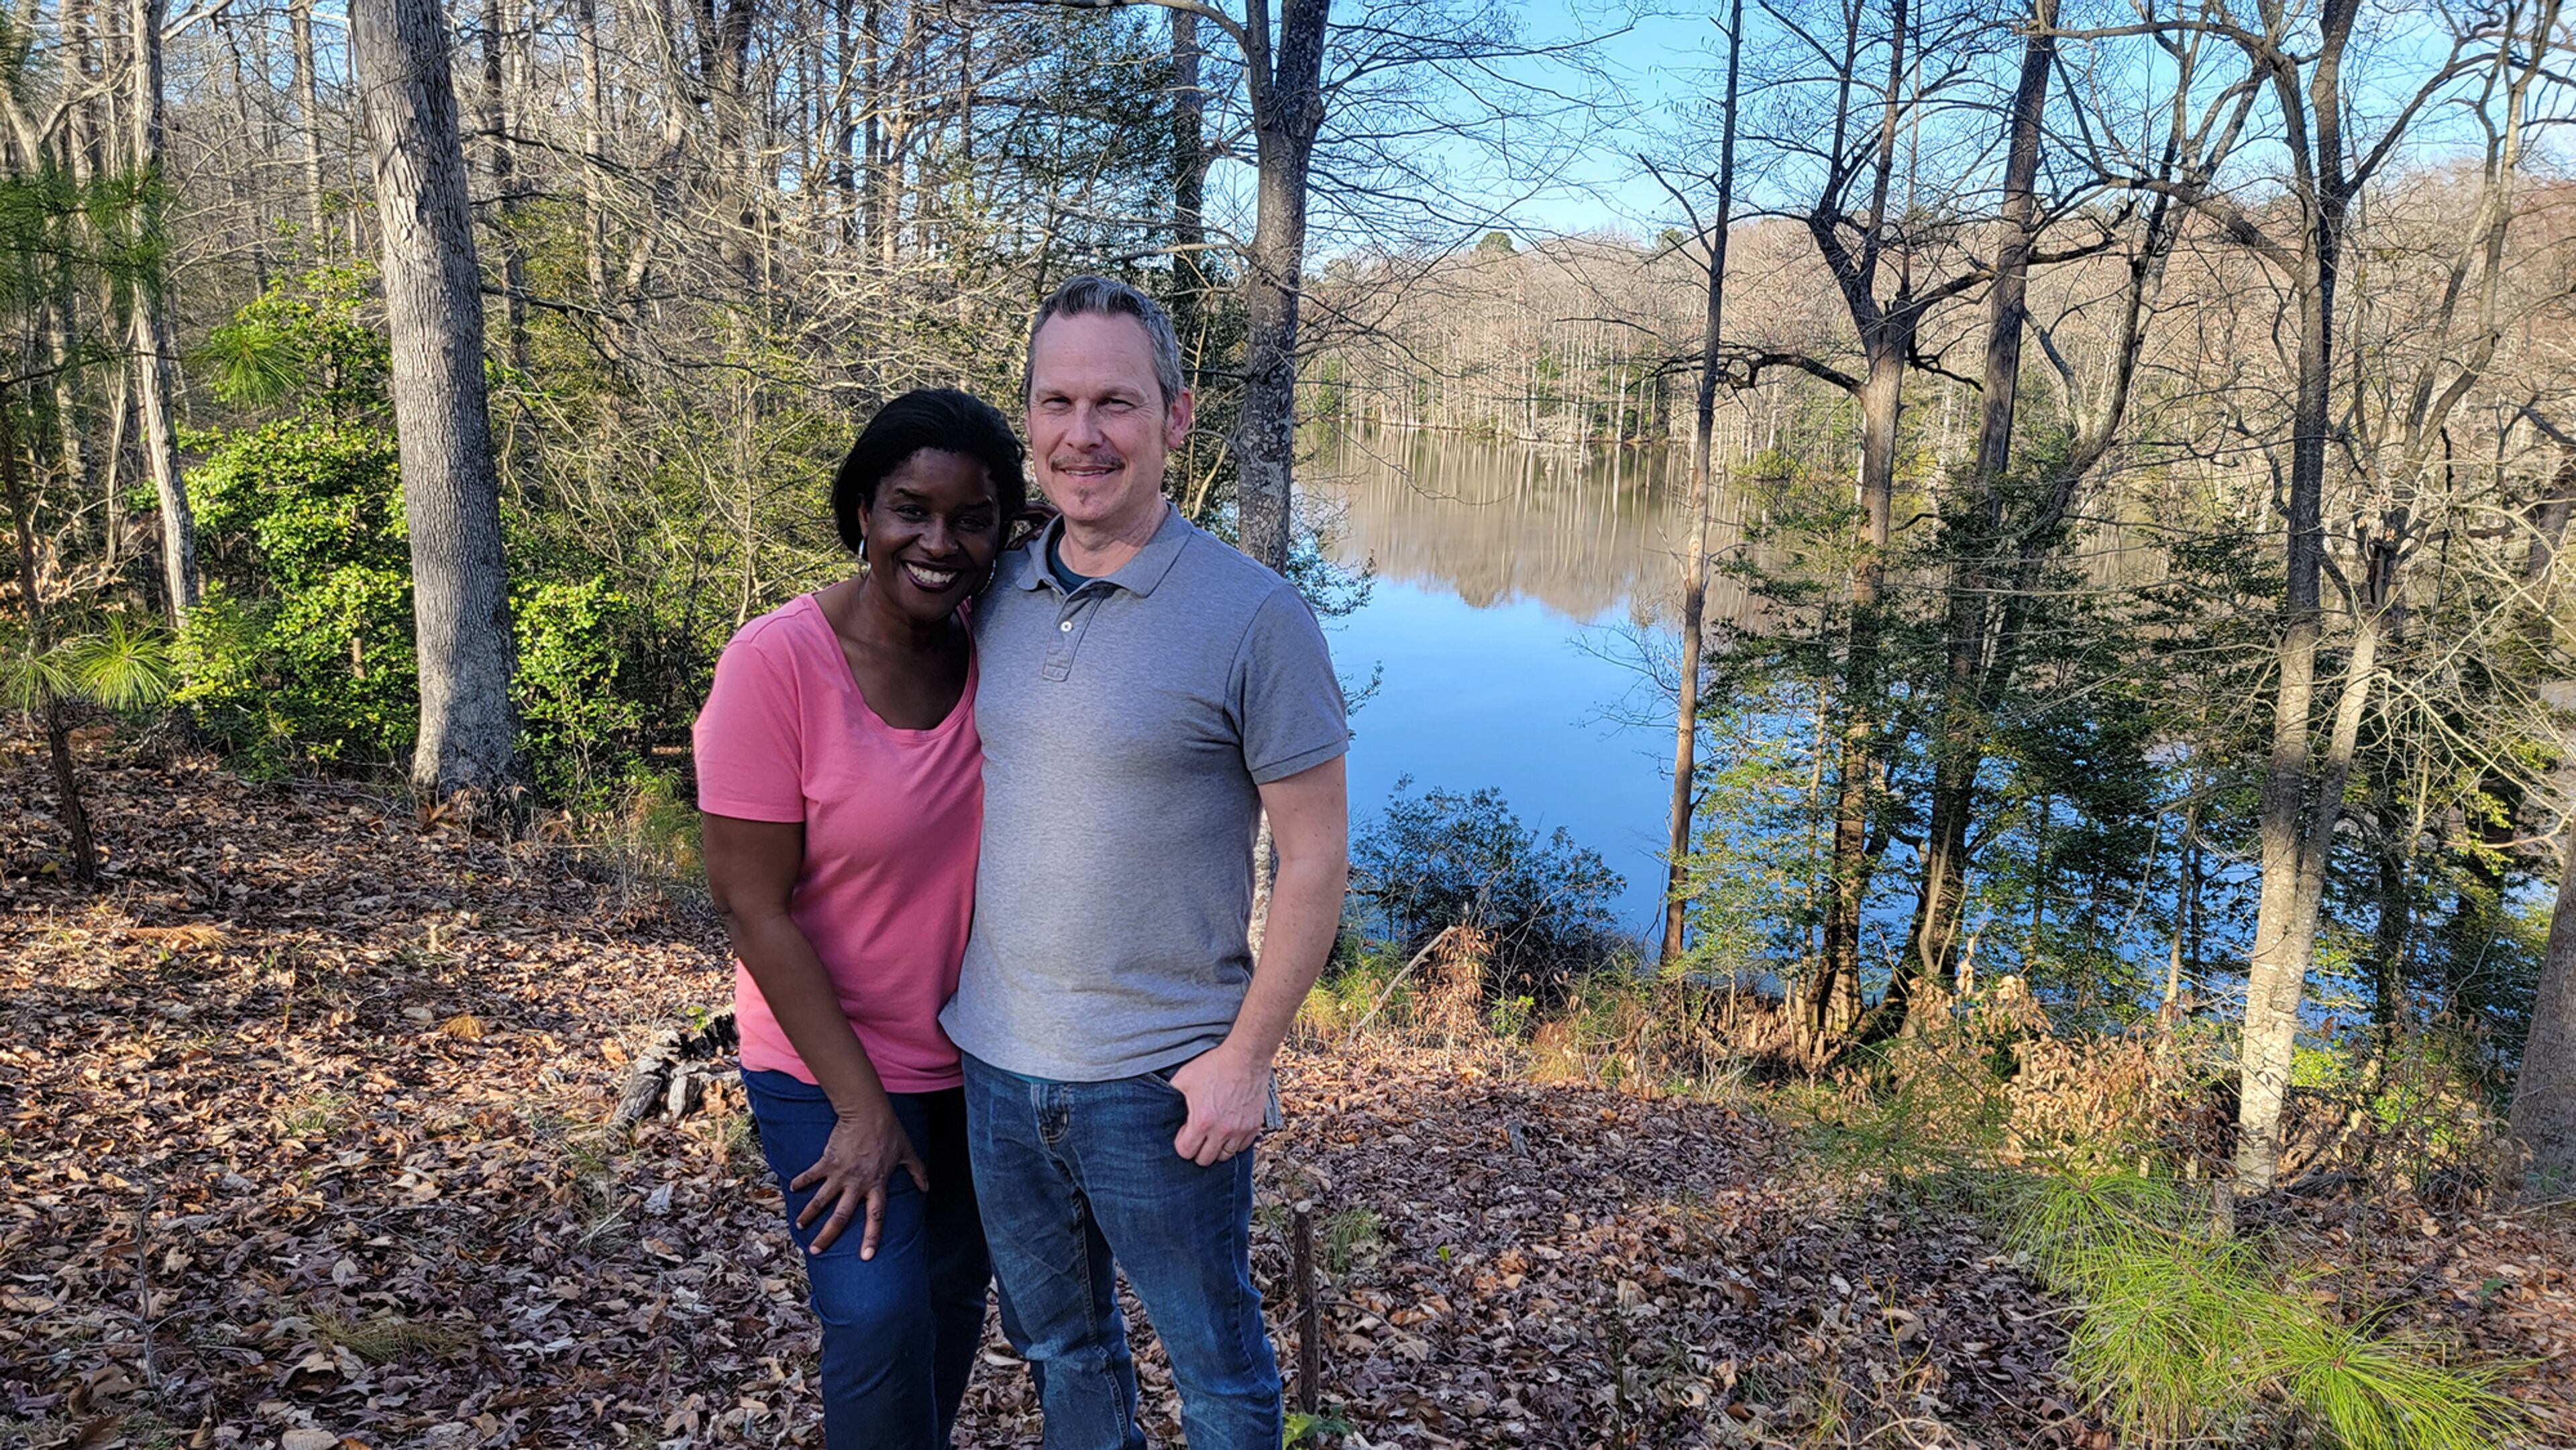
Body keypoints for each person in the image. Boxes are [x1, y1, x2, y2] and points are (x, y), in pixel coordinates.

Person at [942, 276, 1352, 1450]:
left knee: (1219, 1374)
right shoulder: (996, 590)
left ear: (1174, 416)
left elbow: (1316, 859)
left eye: (1115, 402)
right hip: (996, 1067)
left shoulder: (1256, 615)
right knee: (1062, 1348)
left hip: (1162, 1085)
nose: (1084, 435)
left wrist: (1248, 1058)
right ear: (1029, 420)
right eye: (1058, 402)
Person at [694, 388, 1026, 1449]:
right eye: (908, 509)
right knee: (876, 1310)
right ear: (862, 513)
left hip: (978, 1059)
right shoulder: (775, 664)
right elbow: (752, 903)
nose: (939, 541)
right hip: (820, 1063)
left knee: (946, 1303)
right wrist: (862, 1105)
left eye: (971, 517)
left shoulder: (997, 644)